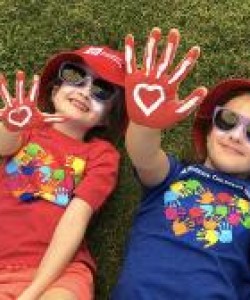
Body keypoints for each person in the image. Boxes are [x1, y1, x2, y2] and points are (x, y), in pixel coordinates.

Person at [112, 27, 250, 299]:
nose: (236, 135)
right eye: (227, 121)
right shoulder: (174, 174)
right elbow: (144, 155)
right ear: (210, 130)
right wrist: (144, 122)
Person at [0, 44, 126, 299]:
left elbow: (76, 219)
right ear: (55, 89)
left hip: (62, 272)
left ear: (105, 119)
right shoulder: (26, 131)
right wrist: (11, 124)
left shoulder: (102, 154)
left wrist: (33, 291)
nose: (86, 91)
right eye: (75, 76)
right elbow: (4, 145)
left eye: (102, 90)